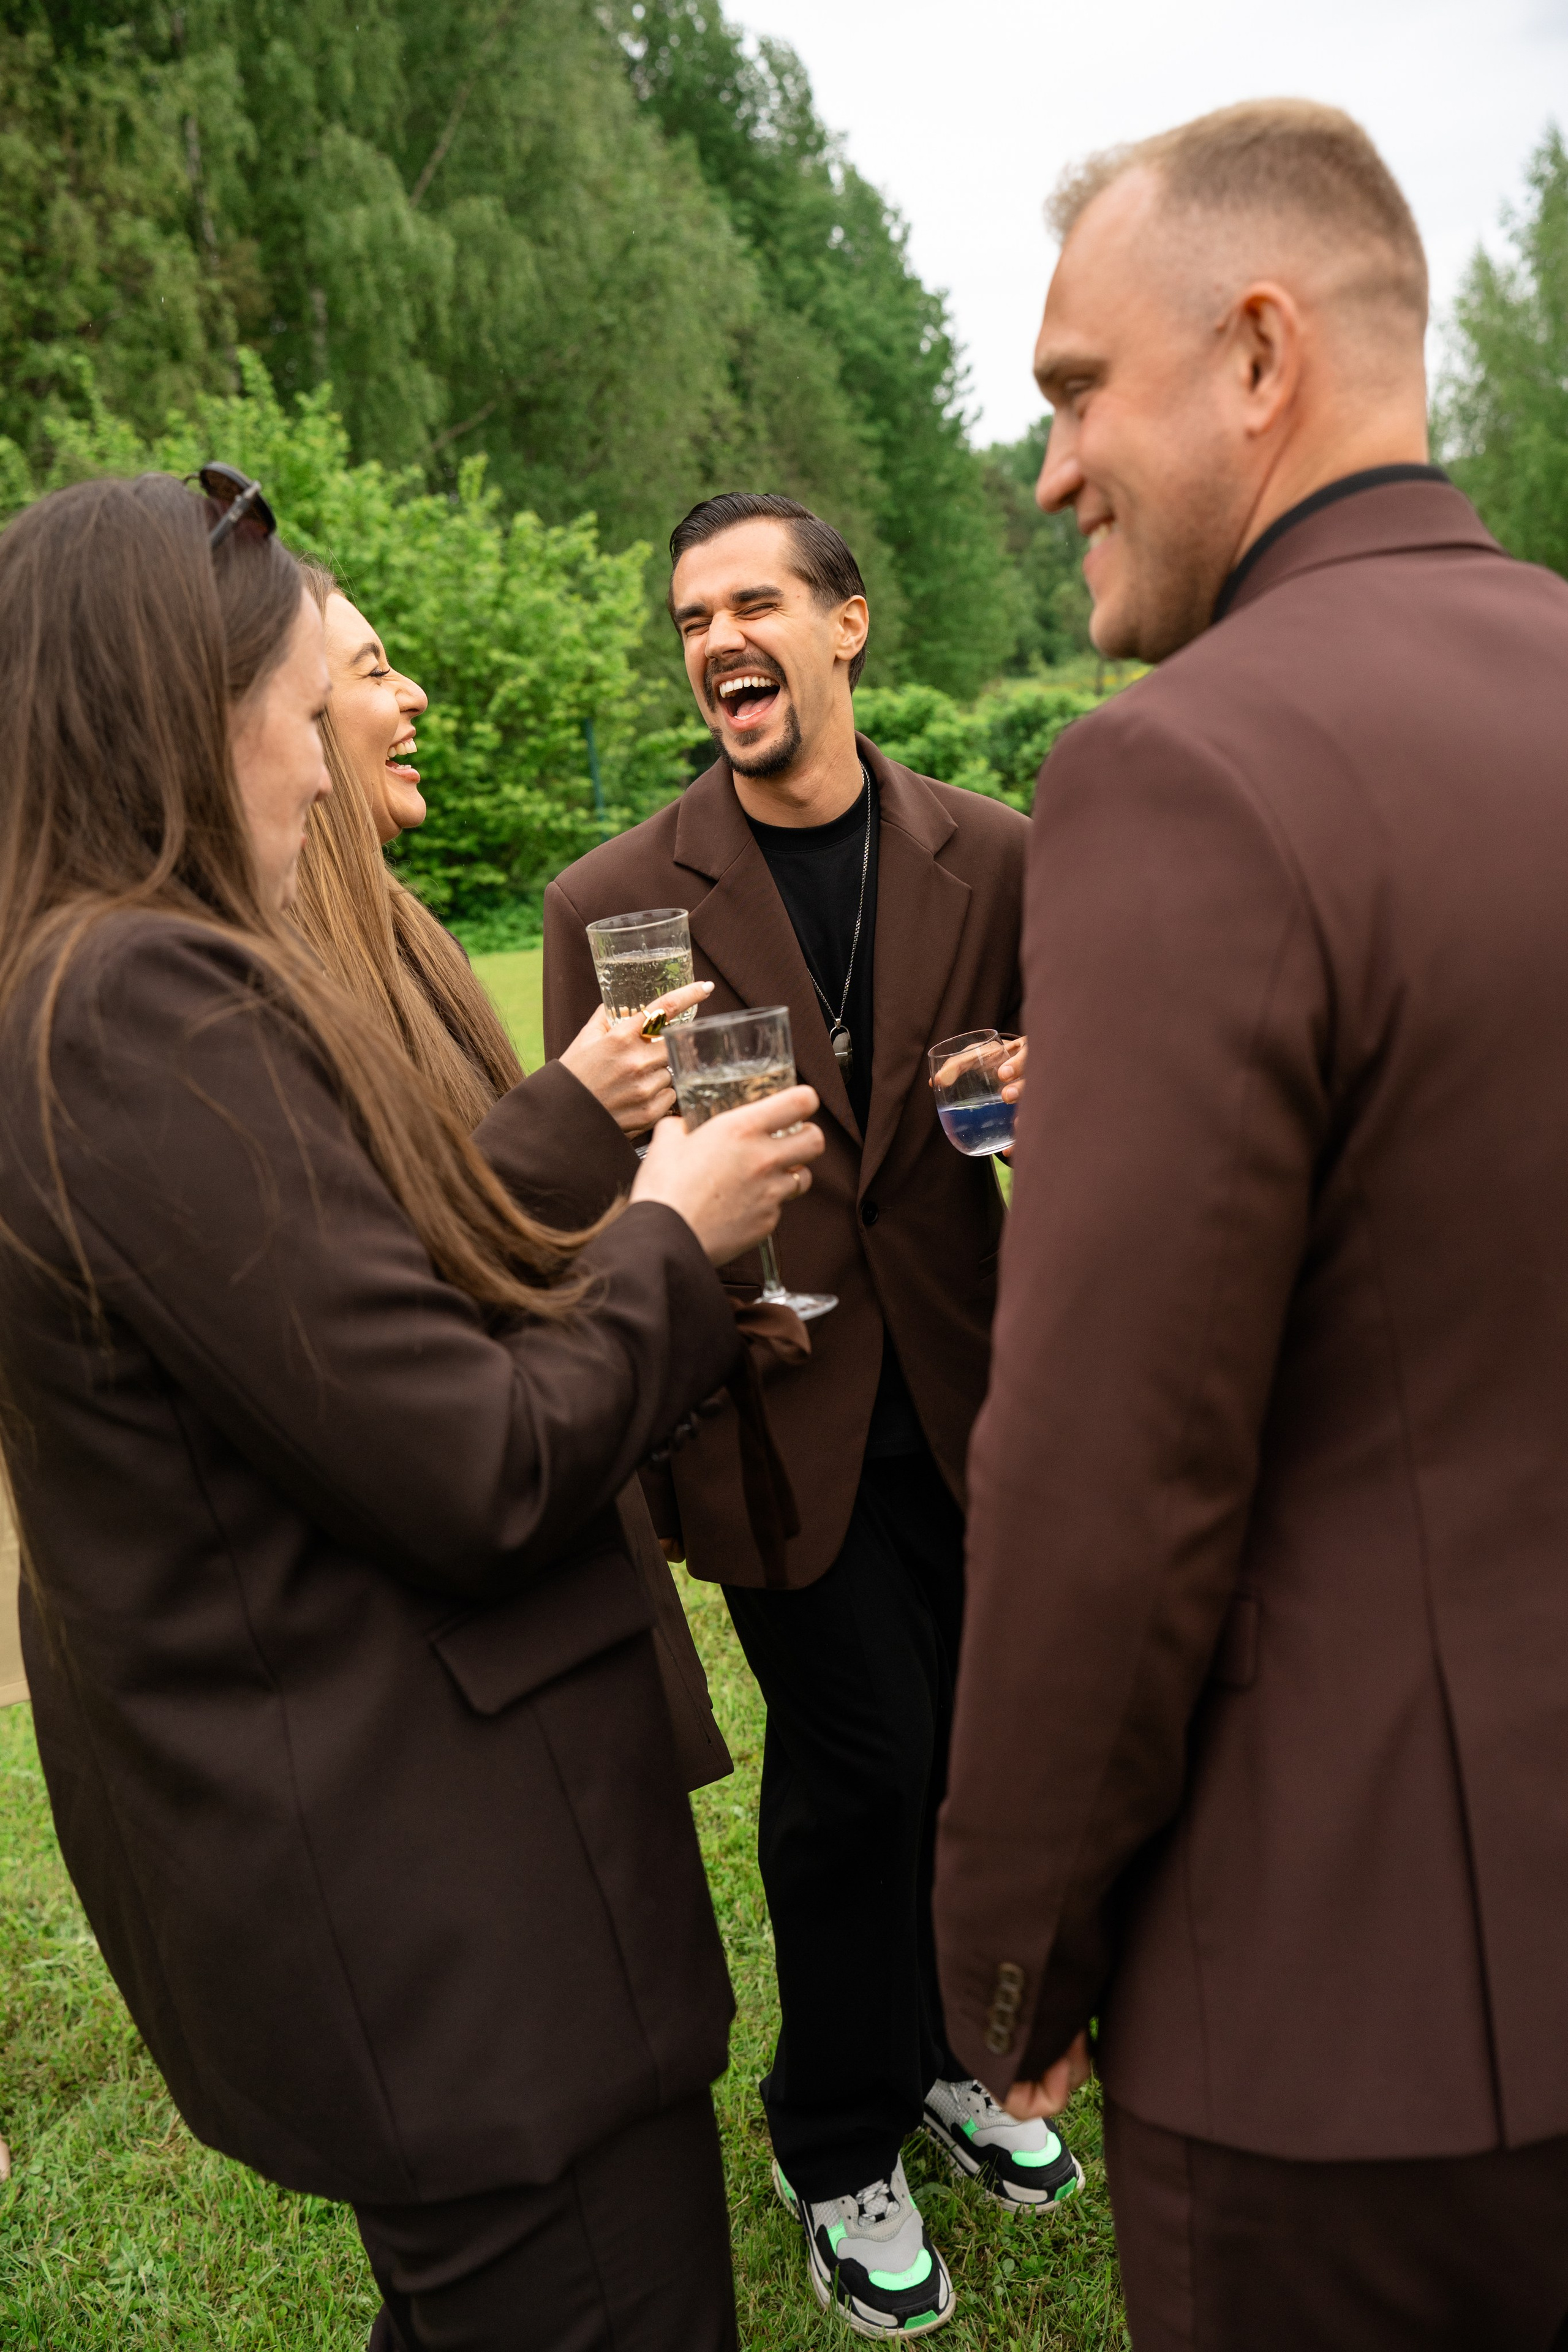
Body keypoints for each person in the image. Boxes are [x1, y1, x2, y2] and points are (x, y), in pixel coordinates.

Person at [0, 469, 825, 2352]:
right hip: (457, 1950)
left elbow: (336, 1302)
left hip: (405, 1931)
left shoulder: (83, 986)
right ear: (178, 718)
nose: (324, 768)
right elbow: (474, 1464)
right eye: (306, 715)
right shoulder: (142, 1006)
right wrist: (677, 1244)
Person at [933, 99, 1568, 2352]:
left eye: (1075, 391)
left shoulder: (1179, 769)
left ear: (1262, 355)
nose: (1048, 471)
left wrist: (1017, 1964)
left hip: (1362, 2029)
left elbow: (1108, 1484)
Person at [543, 493, 1081, 2342]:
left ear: (847, 624)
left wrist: (1035, 1083)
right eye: (689, 618)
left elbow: (1074, 1112)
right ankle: (832, 2131)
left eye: (751, 604)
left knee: (953, 1753)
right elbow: (573, 1214)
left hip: (974, 1401)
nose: (715, 643)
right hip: (766, 1419)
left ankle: (936, 2056)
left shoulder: (1000, 855)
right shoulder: (605, 903)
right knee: (864, 1760)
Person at [290, 563, 732, 1790]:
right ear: (279, 708)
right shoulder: (261, 987)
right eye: (373, 669)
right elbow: (392, 1281)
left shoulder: (398, 926)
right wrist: (614, 1154)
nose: (413, 693)